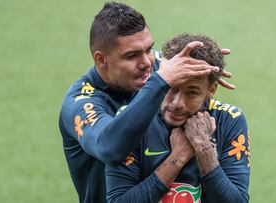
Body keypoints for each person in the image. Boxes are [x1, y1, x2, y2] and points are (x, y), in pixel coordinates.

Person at [59, 2, 235, 203]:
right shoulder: (81, 103)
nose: (147, 63)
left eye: (149, 49)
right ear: (101, 60)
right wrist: (160, 82)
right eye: (132, 55)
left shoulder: (152, 67)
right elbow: (110, 148)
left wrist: (202, 72)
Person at [105, 34, 250, 203]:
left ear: (211, 90)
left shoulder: (229, 119)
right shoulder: (131, 120)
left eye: (191, 92)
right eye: (172, 87)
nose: (177, 103)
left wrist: (204, 149)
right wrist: (178, 157)